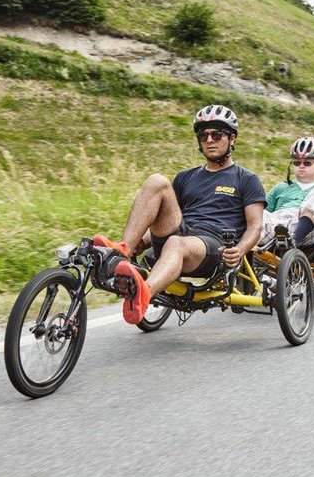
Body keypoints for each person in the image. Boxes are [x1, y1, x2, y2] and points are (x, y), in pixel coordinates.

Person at [93, 104, 266, 324]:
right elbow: (168, 217)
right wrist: (143, 243)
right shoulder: (186, 177)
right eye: (203, 136)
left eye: (217, 134)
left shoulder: (246, 179)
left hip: (214, 244)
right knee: (157, 181)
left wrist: (240, 249)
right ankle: (123, 250)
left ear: (232, 138)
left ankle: (144, 293)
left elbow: (255, 226)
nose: (209, 140)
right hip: (182, 232)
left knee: (176, 242)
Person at [261, 136, 314, 248]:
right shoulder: (280, 187)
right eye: (297, 163)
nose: (301, 166)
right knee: (253, 208)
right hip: (278, 226)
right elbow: (263, 212)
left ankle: (293, 241)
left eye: (307, 163)